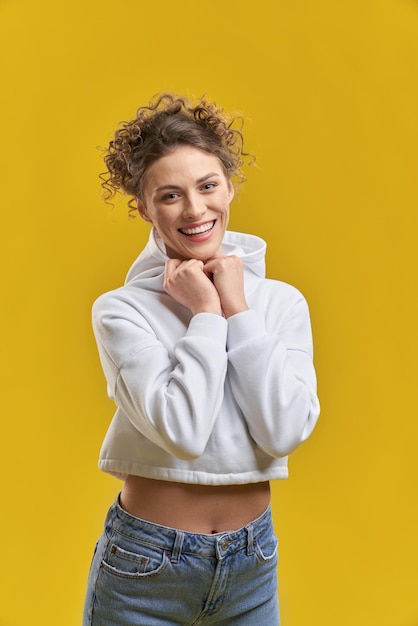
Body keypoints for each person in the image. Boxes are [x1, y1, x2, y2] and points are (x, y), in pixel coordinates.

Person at [83, 93, 320, 626]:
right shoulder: (122, 311)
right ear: (144, 208)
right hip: (145, 568)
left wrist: (237, 307)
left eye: (208, 186)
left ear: (229, 187)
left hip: (253, 564)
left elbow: (283, 432)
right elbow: (184, 432)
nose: (194, 210)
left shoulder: (280, 302)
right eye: (170, 195)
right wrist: (207, 313)